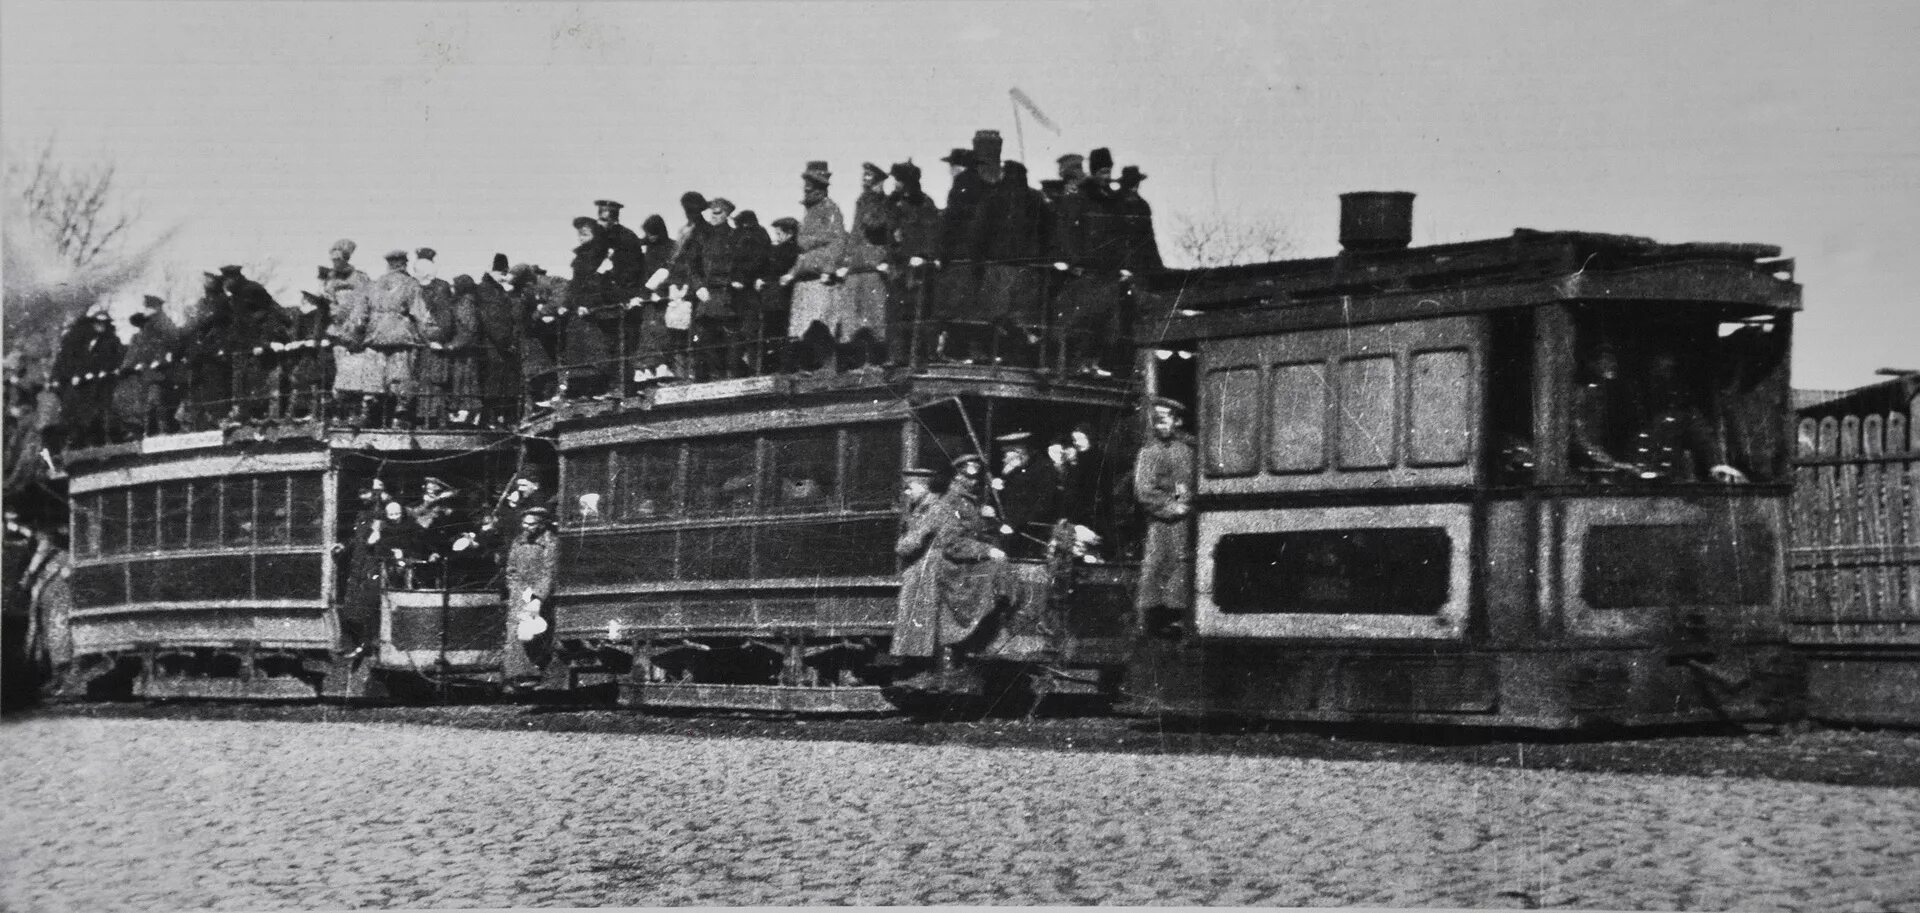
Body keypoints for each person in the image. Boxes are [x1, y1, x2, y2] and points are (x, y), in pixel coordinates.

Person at [347, 250, 439, 428]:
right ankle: (400, 416)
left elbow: (359, 317)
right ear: (404, 264)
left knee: (373, 378)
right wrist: (432, 336)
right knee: (401, 377)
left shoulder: (373, 285)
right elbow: (420, 314)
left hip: (375, 338)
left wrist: (355, 337)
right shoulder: (411, 284)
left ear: (388, 265)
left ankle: (368, 414)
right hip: (401, 338)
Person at [972, 159, 1050, 365]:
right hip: (1028, 268)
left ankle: (988, 355)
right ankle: (1018, 356)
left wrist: (978, 261)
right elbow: (1047, 233)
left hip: (998, 267)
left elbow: (979, 234)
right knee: (1022, 314)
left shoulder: (992, 198)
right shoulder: (1036, 199)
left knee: (994, 313)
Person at [933, 453, 1008, 661]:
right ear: (957, 476)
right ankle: (969, 642)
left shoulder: (971, 502)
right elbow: (952, 544)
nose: (973, 482)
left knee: (1000, 567)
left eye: (976, 478)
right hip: (954, 568)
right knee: (993, 571)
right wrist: (986, 551)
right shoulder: (952, 501)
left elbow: (976, 533)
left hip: (966, 561)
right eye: (968, 477)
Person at [1134, 396, 1195, 637]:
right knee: (1157, 567)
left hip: (1187, 521)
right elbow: (1143, 491)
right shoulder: (1149, 453)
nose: (1159, 426)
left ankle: (1179, 618)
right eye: (1156, 421)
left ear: (1177, 421)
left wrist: (1187, 502)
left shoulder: (1189, 450)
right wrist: (1172, 508)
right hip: (1161, 524)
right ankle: (1154, 624)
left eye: (1164, 420)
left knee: (1183, 566)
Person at [786, 161, 850, 373]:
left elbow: (837, 241)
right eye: (806, 182)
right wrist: (792, 273)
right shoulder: (810, 211)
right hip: (804, 278)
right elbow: (803, 251)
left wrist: (828, 269)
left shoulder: (830, 209)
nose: (807, 187)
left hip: (819, 278)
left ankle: (826, 370)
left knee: (821, 325)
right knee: (802, 328)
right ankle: (807, 369)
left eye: (812, 183)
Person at [887, 467, 950, 669]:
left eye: (910, 487)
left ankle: (921, 664)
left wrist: (899, 546)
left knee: (920, 614)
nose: (907, 493)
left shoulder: (933, 508)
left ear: (923, 486)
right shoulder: (924, 506)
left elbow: (912, 542)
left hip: (927, 568)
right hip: (923, 566)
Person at [833, 162, 892, 369]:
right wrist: (846, 261)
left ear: (879, 181)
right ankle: (852, 364)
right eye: (864, 176)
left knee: (875, 318)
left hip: (873, 265)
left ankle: (876, 361)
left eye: (869, 177)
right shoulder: (863, 200)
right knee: (851, 319)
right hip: (857, 266)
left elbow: (873, 224)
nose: (865, 180)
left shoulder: (883, 203)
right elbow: (856, 233)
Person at [884, 161, 942, 365]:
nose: (895, 184)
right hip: (901, 267)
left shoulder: (925, 204)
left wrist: (927, 257)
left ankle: (924, 355)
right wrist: (901, 257)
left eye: (898, 180)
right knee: (899, 313)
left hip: (919, 269)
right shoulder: (894, 204)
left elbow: (932, 234)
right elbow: (891, 236)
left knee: (922, 313)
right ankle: (897, 356)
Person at [931, 147, 986, 357]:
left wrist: (941, 253)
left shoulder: (960, 186)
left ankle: (955, 352)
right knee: (970, 305)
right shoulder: (983, 188)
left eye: (951, 166)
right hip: (975, 256)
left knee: (952, 305)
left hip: (957, 256)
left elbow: (951, 224)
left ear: (958, 167)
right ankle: (971, 352)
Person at [221, 265, 291, 422]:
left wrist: (262, 342)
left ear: (235, 278)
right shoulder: (234, 297)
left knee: (260, 378)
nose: (225, 284)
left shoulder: (251, 290)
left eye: (228, 280)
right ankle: (244, 412)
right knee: (242, 379)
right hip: (246, 343)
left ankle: (262, 412)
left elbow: (267, 313)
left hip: (261, 340)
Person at [502, 505, 558, 690]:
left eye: (531, 524)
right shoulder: (518, 542)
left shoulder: (550, 543)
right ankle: (515, 677)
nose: (527, 527)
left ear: (542, 525)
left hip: (539, 597)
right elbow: (511, 570)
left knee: (535, 634)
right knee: (515, 636)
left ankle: (535, 674)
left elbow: (549, 573)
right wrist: (517, 589)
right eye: (524, 523)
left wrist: (537, 595)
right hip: (519, 595)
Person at [324, 240, 377, 426]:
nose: (335, 263)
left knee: (356, 375)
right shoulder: (330, 279)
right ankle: (341, 414)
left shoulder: (360, 278)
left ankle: (357, 414)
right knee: (340, 376)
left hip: (356, 335)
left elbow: (363, 305)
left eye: (338, 259)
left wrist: (355, 329)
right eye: (333, 259)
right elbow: (329, 302)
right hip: (338, 334)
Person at [114, 295, 182, 437]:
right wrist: (127, 367)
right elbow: (135, 353)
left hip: (159, 370)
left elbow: (168, 344)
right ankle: (149, 430)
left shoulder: (161, 323)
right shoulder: (144, 333)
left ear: (155, 308)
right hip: (146, 372)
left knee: (155, 399)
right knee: (146, 400)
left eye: (148, 308)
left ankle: (160, 429)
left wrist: (159, 360)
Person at [562, 217, 615, 398]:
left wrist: (588, 304)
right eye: (580, 234)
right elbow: (575, 285)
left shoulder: (600, 254)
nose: (581, 237)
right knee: (577, 352)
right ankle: (579, 390)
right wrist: (567, 304)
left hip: (595, 312)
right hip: (578, 311)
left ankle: (597, 389)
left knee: (595, 352)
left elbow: (598, 282)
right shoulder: (580, 257)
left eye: (585, 233)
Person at [990, 430, 1059, 559]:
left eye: (1008, 453)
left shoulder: (1044, 469)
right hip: (1011, 531)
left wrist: (1014, 524)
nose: (1005, 458)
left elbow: (1043, 505)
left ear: (1020, 452)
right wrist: (999, 486)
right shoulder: (1015, 468)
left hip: (1033, 534)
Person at [412, 248, 458, 424]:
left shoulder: (412, 285)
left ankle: (420, 418)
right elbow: (446, 319)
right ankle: (436, 417)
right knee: (436, 381)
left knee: (424, 380)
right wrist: (438, 338)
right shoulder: (442, 286)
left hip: (418, 341)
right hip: (435, 341)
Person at [474, 254, 520, 426]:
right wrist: (506, 342)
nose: (504, 276)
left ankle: (492, 421)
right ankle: (492, 422)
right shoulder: (488, 290)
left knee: (496, 384)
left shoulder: (491, 288)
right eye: (502, 272)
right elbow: (493, 319)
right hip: (494, 346)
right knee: (495, 384)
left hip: (495, 344)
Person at [442, 275, 483, 425]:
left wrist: (452, 345)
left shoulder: (465, 305)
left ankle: (467, 415)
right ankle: (468, 415)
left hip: (464, 352)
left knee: (465, 382)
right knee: (465, 383)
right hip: (465, 350)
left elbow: (469, 330)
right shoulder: (470, 303)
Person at [760, 216, 799, 372]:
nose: (777, 237)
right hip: (776, 297)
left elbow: (778, 268)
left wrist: (766, 279)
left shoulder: (789, 250)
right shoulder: (782, 249)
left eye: (779, 233)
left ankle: (781, 365)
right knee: (777, 331)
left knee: (778, 330)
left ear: (788, 233)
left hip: (781, 297)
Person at [596, 199, 647, 303]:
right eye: (599, 219)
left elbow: (633, 271)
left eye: (604, 220)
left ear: (614, 220)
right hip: (606, 291)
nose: (599, 223)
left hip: (626, 293)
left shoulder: (627, 238)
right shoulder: (600, 237)